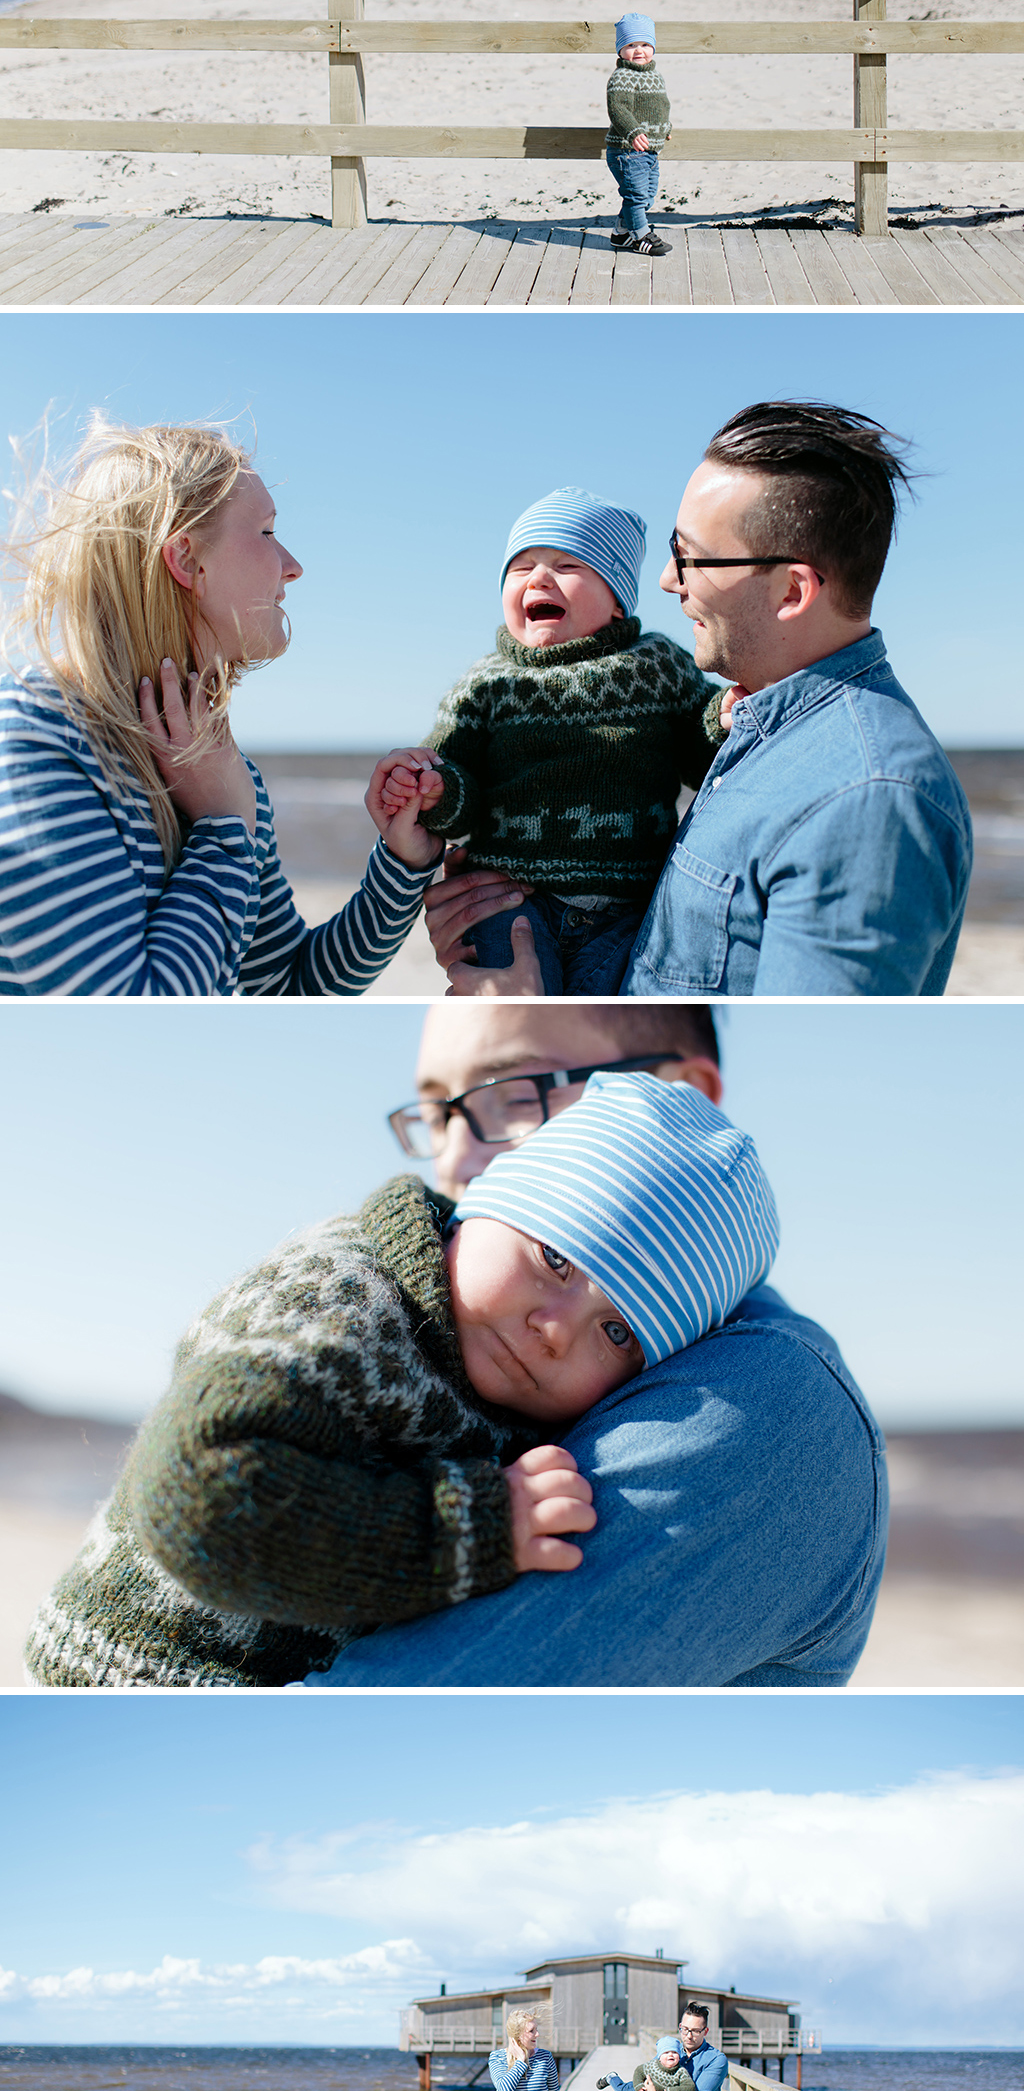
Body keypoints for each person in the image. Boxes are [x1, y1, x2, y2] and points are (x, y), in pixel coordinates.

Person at [25, 1067, 778, 1687]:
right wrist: (475, 1529)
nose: (554, 1331)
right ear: (491, 1200)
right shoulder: (342, 1299)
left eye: (616, 1332)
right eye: (555, 1258)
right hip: (137, 1671)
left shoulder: (500, 1369)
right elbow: (201, 1491)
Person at [306, 999, 888, 1689]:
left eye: (511, 1095)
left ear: (681, 1098)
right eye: (437, 1113)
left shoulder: (759, 1403)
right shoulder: (389, 1313)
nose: (455, 1159)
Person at [420, 403, 973, 1000]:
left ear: (792, 590)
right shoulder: (762, 727)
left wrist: (536, 1015)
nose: (666, 578)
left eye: (691, 556)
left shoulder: (865, 802)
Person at [0, 419, 439, 995]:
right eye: (265, 531)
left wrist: (401, 868)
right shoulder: (36, 736)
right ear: (187, 559)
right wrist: (222, 830)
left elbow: (289, 990)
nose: (292, 565)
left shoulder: (225, 773)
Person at [367, 487, 721, 993]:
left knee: (606, 1014)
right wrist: (434, 791)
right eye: (521, 566)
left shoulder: (656, 666)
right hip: (513, 901)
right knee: (512, 1010)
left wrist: (724, 717)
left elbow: (700, 752)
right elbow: (458, 785)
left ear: (618, 601)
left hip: (630, 909)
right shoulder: (486, 684)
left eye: (567, 565)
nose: (538, 578)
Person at [605, 13, 672, 257]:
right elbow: (618, 109)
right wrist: (632, 132)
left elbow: (661, 107)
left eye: (645, 44)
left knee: (647, 195)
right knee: (635, 195)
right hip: (626, 150)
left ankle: (621, 234)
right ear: (620, 50)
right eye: (630, 45)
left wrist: (666, 128)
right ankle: (640, 235)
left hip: (650, 151)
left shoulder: (655, 76)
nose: (639, 51)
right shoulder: (622, 76)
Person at [597, 2034, 696, 2091]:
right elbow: (639, 2071)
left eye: (674, 2052)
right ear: (659, 2057)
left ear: (679, 2056)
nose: (670, 2055)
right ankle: (611, 2077)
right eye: (666, 2052)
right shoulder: (653, 2066)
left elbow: (690, 2088)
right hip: (643, 2086)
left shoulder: (681, 2072)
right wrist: (639, 2085)